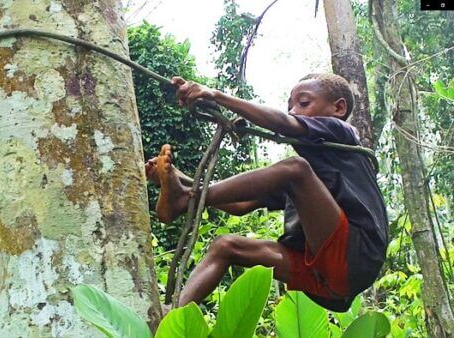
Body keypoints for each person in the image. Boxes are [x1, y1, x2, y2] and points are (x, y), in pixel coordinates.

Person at [146, 73, 388, 312]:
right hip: (324, 281)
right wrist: (175, 178)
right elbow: (240, 205)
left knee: (295, 168)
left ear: (338, 108)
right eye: (290, 106)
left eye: (303, 103)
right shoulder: (307, 188)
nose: (294, 111)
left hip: (356, 256)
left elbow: (284, 123)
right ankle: (170, 318)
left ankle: (184, 200)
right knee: (226, 246)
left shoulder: (344, 134)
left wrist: (215, 95)